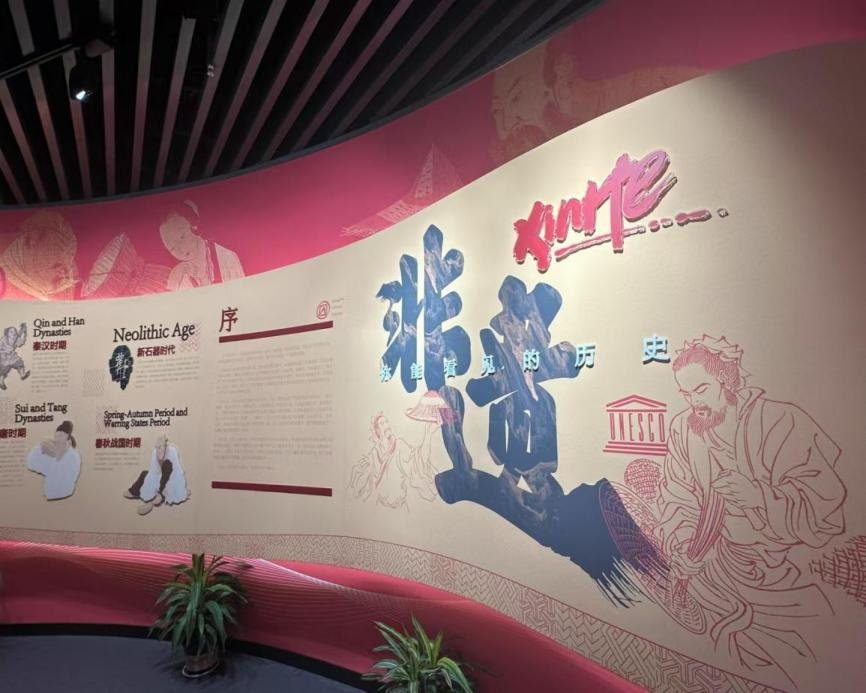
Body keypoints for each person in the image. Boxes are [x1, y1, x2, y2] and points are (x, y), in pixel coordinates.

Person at [655, 335, 846, 677]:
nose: (694, 402)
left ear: (726, 380)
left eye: (701, 389)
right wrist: (683, 546)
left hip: (776, 575)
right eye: (685, 393)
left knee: (821, 650)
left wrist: (758, 496)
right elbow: (676, 496)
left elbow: (824, 500)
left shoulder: (779, 421)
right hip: (713, 566)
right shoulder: (684, 430)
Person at [349, 414, 439, 510]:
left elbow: (418, 459)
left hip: (400, 507)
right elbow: (362, 481)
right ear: (377, 430)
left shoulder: (399, 445)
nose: (386, 425)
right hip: (379, 507)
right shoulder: (374, 454)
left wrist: (428, 434)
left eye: (386, 422)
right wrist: (356, 475)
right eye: (382, 423)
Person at [159, 201, 244, 291]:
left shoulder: (226, 257)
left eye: (182, 237)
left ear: (193, 226)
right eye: (172, 248)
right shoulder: (177, 275)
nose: (181, 249)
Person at [124, 435, 189, 516]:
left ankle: (160, 497)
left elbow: (171, 476)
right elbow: (153, 471)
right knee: (144, 473)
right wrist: (151, 488)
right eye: (157, 448)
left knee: (165, 491)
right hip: (161, 476)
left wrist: (161, 492)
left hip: (173, 480)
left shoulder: (171, 455)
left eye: (160, 448)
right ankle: (135, 491)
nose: (158, 450)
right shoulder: (155, 452)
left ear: (165, 447)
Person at [26, 421, 81, 500]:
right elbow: (31, 464)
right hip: (51, 496)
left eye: (60, 435)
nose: (57, 439)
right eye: (56, 436)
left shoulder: (73, 456)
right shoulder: (54, 455)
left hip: (64, 495)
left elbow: (60, 472)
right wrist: (40, 447)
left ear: (67, 438)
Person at [0, 323, 29, 390]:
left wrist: (24, 329)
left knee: (20, 363)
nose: (14, 333)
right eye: (11, 332)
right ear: (7, 334)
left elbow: (20, 335)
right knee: (3, 371)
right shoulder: (3, 340)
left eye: (15, 332)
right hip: (3, 357)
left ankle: (23, 375)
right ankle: (1, 382)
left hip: (12, 356)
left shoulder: (16, 338)